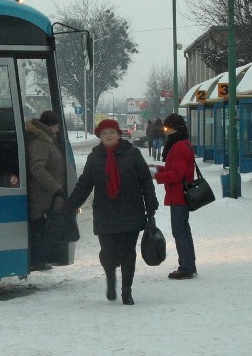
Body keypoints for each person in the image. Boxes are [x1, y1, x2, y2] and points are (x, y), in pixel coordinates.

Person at [65, 118, 158, 305]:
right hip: (105, 213)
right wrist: (70, 205)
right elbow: (84, 185)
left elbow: (145, 180)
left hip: (130, 210)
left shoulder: (132, 154)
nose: (108, 136)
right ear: (100, 136)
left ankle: (126, 291)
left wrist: (151, 204)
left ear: (118, 134)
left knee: (128, 252)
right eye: (104, 133)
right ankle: (110, 278)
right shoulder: (94, 157)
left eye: (111, 132)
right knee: (108, 253)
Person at [150, 113, 197, 279]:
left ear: (173, 127)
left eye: (167, 127)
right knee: (183, 230)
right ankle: (188, 264)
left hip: (179, 195)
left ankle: (186, 267)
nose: (165, 130)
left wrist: (158, 176)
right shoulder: (181, 144)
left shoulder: (178, 147)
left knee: (180, 231)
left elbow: (177, 174)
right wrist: (158, 169)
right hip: (179, 193)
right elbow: (176, 170)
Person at [25, 110, 66, 271]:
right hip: (40, 195)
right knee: (38, 229)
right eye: (56, 127)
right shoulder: (40, 143)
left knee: (42, 228)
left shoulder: (47, 140)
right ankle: (37, 260)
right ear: (49, 126)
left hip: (46, 195)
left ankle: (39, 259)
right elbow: (37, 168)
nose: (57, 130)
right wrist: (56, 188)